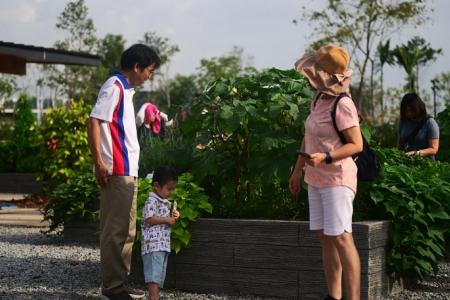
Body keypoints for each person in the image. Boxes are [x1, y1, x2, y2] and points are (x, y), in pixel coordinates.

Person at [289, 45, 363, 300]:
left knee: (342, 238)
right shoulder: (320, 99)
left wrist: (327, 157)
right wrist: (297, 170)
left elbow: (357, 144)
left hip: (338, 179)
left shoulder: (343, 104)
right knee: (325, 237)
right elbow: (308, 136)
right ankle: (334, 296)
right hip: (316, 178)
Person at [87, 44, 161, 300]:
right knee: (116, 231)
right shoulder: (114, 87)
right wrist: (98, 162)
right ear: (137, 67)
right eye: (149, 70)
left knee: (127, 231)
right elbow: (94, 121)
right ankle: (112, 287)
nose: (149, 76)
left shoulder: (124, 90)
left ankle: (119, 284)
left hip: (127, 171)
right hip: (116, 171)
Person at [141, 166, 180, 300]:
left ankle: (155, 296)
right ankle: (153, 297)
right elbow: (149, 218)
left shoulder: (164, 202)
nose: (171, 192)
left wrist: (174, 215)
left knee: (158, 274)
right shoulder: (151, 200)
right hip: (153, 245)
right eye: (169, 189)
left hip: (162, 244)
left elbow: (167, 218)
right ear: (156, 185)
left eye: (173, 189)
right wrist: (167, 220)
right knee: (153, 275)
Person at [397, 92, 439, 159]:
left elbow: (434, 149)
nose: (409, 113)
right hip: (406, 163)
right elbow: (399, 145)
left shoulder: (430, 123)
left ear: (418, 108)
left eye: (411, 110)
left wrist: (416, 153)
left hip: (426, 164)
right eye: (406, 111)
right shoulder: (404, 122)